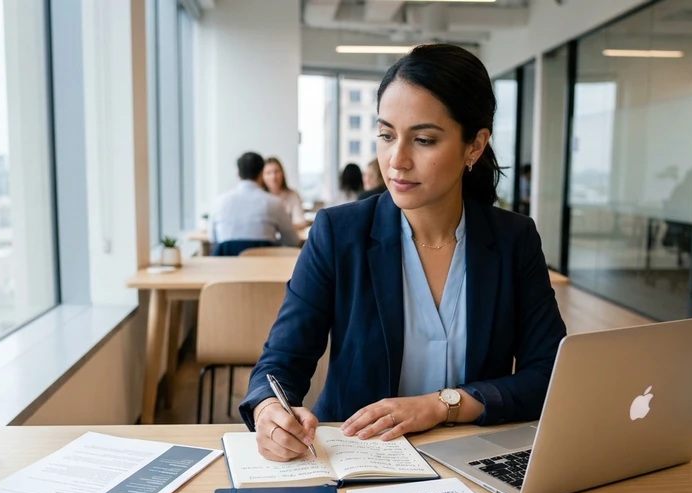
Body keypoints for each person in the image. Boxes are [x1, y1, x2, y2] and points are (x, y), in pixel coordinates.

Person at [238, 44, 567, 462]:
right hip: (358, 460)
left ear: (474, 146)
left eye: (424, 139)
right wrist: (269, 411)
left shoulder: (513, 239)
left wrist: (441, 406)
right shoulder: (339, 233)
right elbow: (280, 363)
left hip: (473, 461)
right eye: (387, 135)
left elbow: (550, 375)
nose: (397, 160)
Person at [211, 152, 300, 255]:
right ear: (262, 174)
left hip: (225, 267)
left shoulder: (218, 202)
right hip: (265, 268)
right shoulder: (274, 203)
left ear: (238, 174)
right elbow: (292, 242)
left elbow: (213, 239)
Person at [262, 157, 308, 229]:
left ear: (282, 173)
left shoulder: (293, 195)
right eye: (268, 173)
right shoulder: (259, 197)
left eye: (276, 171)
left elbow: (300, 222)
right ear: (262, 176)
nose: (273, 177)